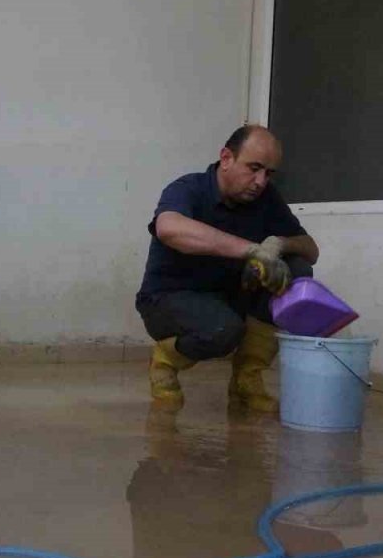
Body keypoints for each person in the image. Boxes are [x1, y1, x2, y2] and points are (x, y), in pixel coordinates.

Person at [135, 125, 320, 410]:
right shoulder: (189, 188)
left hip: (229, 296)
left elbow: (311, 250)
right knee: (223, 329)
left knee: (296, 270)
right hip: (169, 299)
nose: (260, 181)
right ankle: (164, 359)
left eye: (268, 173)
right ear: (225, 158)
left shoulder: (266, 198)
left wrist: (277, 244)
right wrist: (251, 250)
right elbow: (169, 228)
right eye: (254, 168)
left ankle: (247, 380)